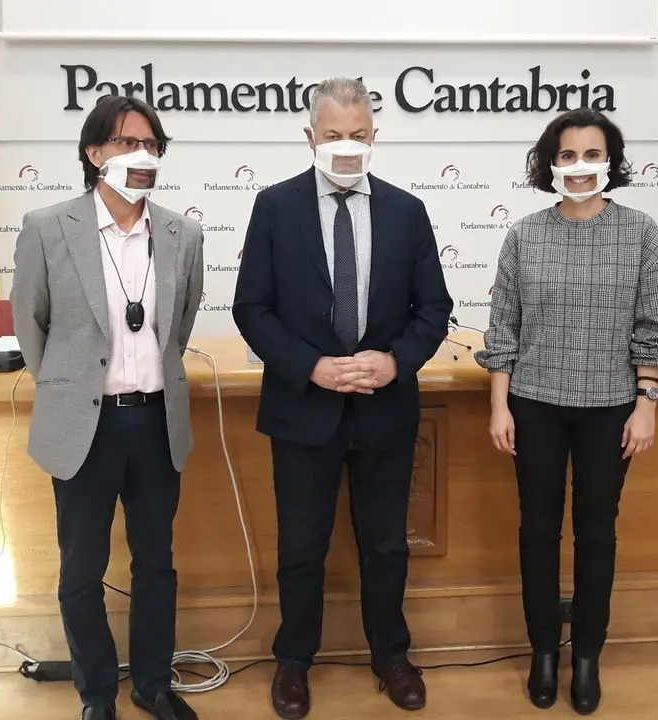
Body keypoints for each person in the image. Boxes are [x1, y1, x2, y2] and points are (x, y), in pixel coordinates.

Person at [232, 77, 453, 719]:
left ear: (375, 136)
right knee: (302, 547)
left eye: (358, 134)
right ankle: (294, 662)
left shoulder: (407, 211)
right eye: (333, 135)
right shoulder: (275, 207)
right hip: (303, 408)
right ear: (310, 137)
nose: (346, 145)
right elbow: (252, 308)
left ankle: (391, 656)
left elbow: (433, 308)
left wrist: (396, 361)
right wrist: (312, 367)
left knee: (385, 545)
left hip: (385, 410)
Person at [472, 108, 658, 716]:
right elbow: (503, 329)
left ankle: (587, 654)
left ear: (610, 161)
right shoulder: (524, 235)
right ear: (550, 164)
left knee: (595, 533)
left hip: (610, 410)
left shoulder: (640, 232)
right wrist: (499, 406)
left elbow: (654, 326)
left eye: (592, 154)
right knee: (537, 531)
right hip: (533, 406)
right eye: (567, 156)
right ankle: (542, 650)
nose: (579, 166)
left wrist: (647, 404)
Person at [11, 95, 204, 720]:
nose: (141, 155)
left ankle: (152, 684)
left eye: (152, 145)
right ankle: (96, 695)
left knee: (156, 564)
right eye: (126, 143)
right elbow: (31, 323)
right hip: (83, 425)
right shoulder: (47, 227)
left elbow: (178, 328)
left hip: (155, 421)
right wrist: (69, 386)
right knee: (81, 570)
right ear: (94, 153)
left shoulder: (182, 234)